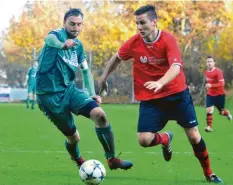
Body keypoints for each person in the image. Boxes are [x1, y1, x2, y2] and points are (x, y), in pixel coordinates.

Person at [98, 5, 222, 183]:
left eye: (143, 23)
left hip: (177, 96)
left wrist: (160, 82)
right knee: (144, 140)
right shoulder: (134, 42)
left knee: (194, 136)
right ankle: (165, 139)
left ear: (154, 21)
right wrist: (103, 77)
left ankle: (209, 173)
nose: (139, 27)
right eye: (137, 23)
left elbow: (176, 67)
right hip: (151, 100)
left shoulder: (167, 40)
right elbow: (117, 57)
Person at [35, 8, 133, 171]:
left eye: (79, 24)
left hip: (69, 91)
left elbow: (86, 71)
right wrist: (62, 44)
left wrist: (93, 94)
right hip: (49, 98)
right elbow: (49, 39)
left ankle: (112, 159)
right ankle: (79, 161)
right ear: (64, 23)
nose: (76, 28)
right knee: (73, 138)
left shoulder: (78, 46)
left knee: (99, 115)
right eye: (72, 24)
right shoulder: (57, 36)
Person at [204, 56, 232, 132]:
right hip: (210, 94)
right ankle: (209, 127)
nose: (209, 63)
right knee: (209, 110)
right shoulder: (206, 72)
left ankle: (227, 113)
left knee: (221, 112)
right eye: (208, 62)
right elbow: (209, 82)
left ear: (214, 63)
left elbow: (222, 84)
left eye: (210, 61)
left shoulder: (218, 72)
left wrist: (211, 85)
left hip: (219, 95)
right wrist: (208, 87)